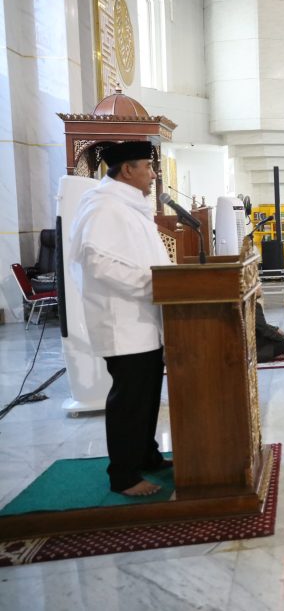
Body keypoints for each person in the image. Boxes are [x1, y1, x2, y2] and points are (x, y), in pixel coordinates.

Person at [68, 141, 172, 496]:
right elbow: (98, 262)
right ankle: (123, 476)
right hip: (122, 322)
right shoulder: (104, 206)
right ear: (128, 170)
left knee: (147, 396)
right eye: (148, 167)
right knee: (129, 400)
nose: (153, 175)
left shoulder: (129, 206)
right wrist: (153, 285)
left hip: (144, 321)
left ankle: (146, 456)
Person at [255, 297, 284, 362]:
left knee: (280, 339)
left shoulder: (248, 304)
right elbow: (265, 331)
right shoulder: (255, 306)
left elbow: (260, 325)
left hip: (258, 342)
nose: (261, 291)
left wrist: (276, 329)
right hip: (259, 350)